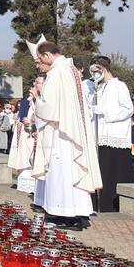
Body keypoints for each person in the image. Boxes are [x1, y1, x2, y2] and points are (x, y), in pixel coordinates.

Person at [31, 41, 101, 229]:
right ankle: (76, 212)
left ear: (47, 55)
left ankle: (67, 215)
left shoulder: (57, 73)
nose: (41, 63)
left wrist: (38, 99)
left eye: (40, 59)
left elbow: (49, 107)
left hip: (61, 133)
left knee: (62, 173)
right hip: (71, 129)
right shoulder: (71, 70)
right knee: (71, 172)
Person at [87, 55, 134, 212]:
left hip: (114, 135)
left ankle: (110, 206)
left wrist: (106, 113)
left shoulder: (119, 86)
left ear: (103, 69)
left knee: (111, 170)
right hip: (98, 137)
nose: (93, 74)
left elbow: (128, 109)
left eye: (95, 70)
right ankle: (96, 205)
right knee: (100, 171)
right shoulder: (97, 88)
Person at [9, 77, 41, 196]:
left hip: (35, 134)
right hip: (26, 133)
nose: (31, 89)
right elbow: (22, 116)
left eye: (34, 86)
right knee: (25, 158)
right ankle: (26, 184)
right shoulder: (26, 102)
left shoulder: (39, 100)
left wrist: (33, 120)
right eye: (32, 86)